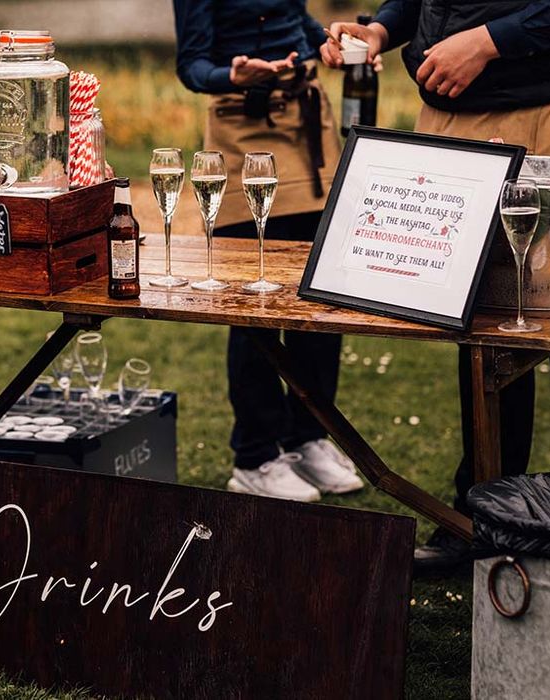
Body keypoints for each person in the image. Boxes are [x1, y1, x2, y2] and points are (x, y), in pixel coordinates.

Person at [321, 1, 550, 571]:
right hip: (455, 112)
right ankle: (482, 516)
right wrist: (380, 27)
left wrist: (489, 42)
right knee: (476, 326)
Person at [173, 0, 364, 502]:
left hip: (306, 130)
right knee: (253, 303)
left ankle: (308, 435)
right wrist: (230, 72)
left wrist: (326, 44)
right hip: (243, 128)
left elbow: (297, 25)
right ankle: (256, 455)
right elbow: (190, 66)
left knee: (320, 296)